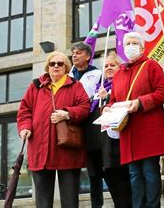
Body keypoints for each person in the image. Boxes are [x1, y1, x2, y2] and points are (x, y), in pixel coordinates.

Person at [104, 32, 164, 208]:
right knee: (134, 175)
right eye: (127, 43)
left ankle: (153, 206)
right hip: (128, 132)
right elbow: (114, 99)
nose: (130, 46)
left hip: (148, 130)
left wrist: (140, 102)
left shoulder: (151, 66)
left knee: (149, 172)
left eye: (134, 43)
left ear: (142, 47)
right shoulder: (119, 73)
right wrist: (108, 107)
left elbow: (163, 93)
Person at [17, 51, 90, 208]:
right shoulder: (35, 86)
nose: (56, 66)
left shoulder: (76, 86)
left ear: (66, 67)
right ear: (47, 67)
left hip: (67, 150)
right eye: (52, 64)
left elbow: (85, 108)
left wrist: (67, 114)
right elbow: (24, 111)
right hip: (40, 149)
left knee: (70, 201)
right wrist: (25, 128)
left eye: (60, 63)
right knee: (42, 202)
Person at [91, 51, 132, 208]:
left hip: (119, 141)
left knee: (122, 180)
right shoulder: (98, 89)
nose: (108, 68)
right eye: (106, 65)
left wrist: (106, 98)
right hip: (103, 144)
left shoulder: (123, 84)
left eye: (112, 65)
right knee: (110, 178)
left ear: (120, 67)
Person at [69, 42, 103, 208]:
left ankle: (97, 204)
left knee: (97, 169)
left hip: (92, 126)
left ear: (88, 56)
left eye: (79, 52)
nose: (75, 55)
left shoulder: (97, 74)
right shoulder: (68, 76)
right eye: (73, 53)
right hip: (73, 127)